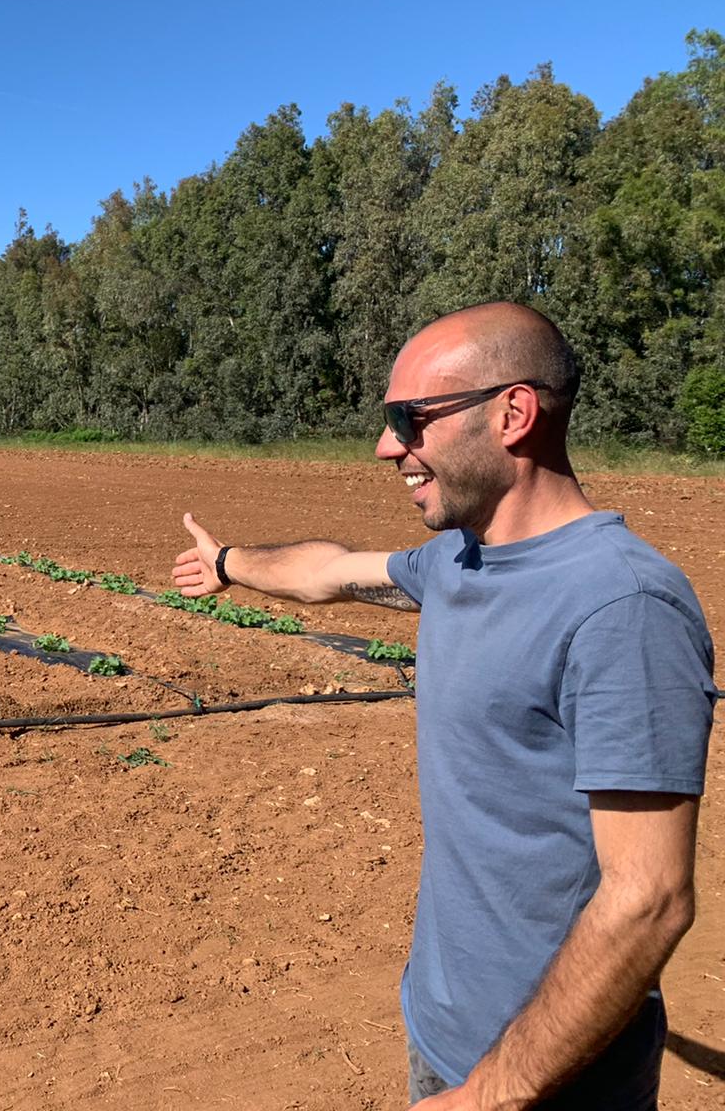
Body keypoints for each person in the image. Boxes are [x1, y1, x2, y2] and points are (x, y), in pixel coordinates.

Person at [171, 302, 715, 1109]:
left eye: (410, 419)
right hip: (444, 1029)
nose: (387, 445)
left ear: (513, 413)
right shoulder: (459, 563)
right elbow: (331, 573)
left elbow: (649, 900)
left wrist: (489, 1095)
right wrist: (227, 562)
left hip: (551, 1073)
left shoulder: (621, 606)